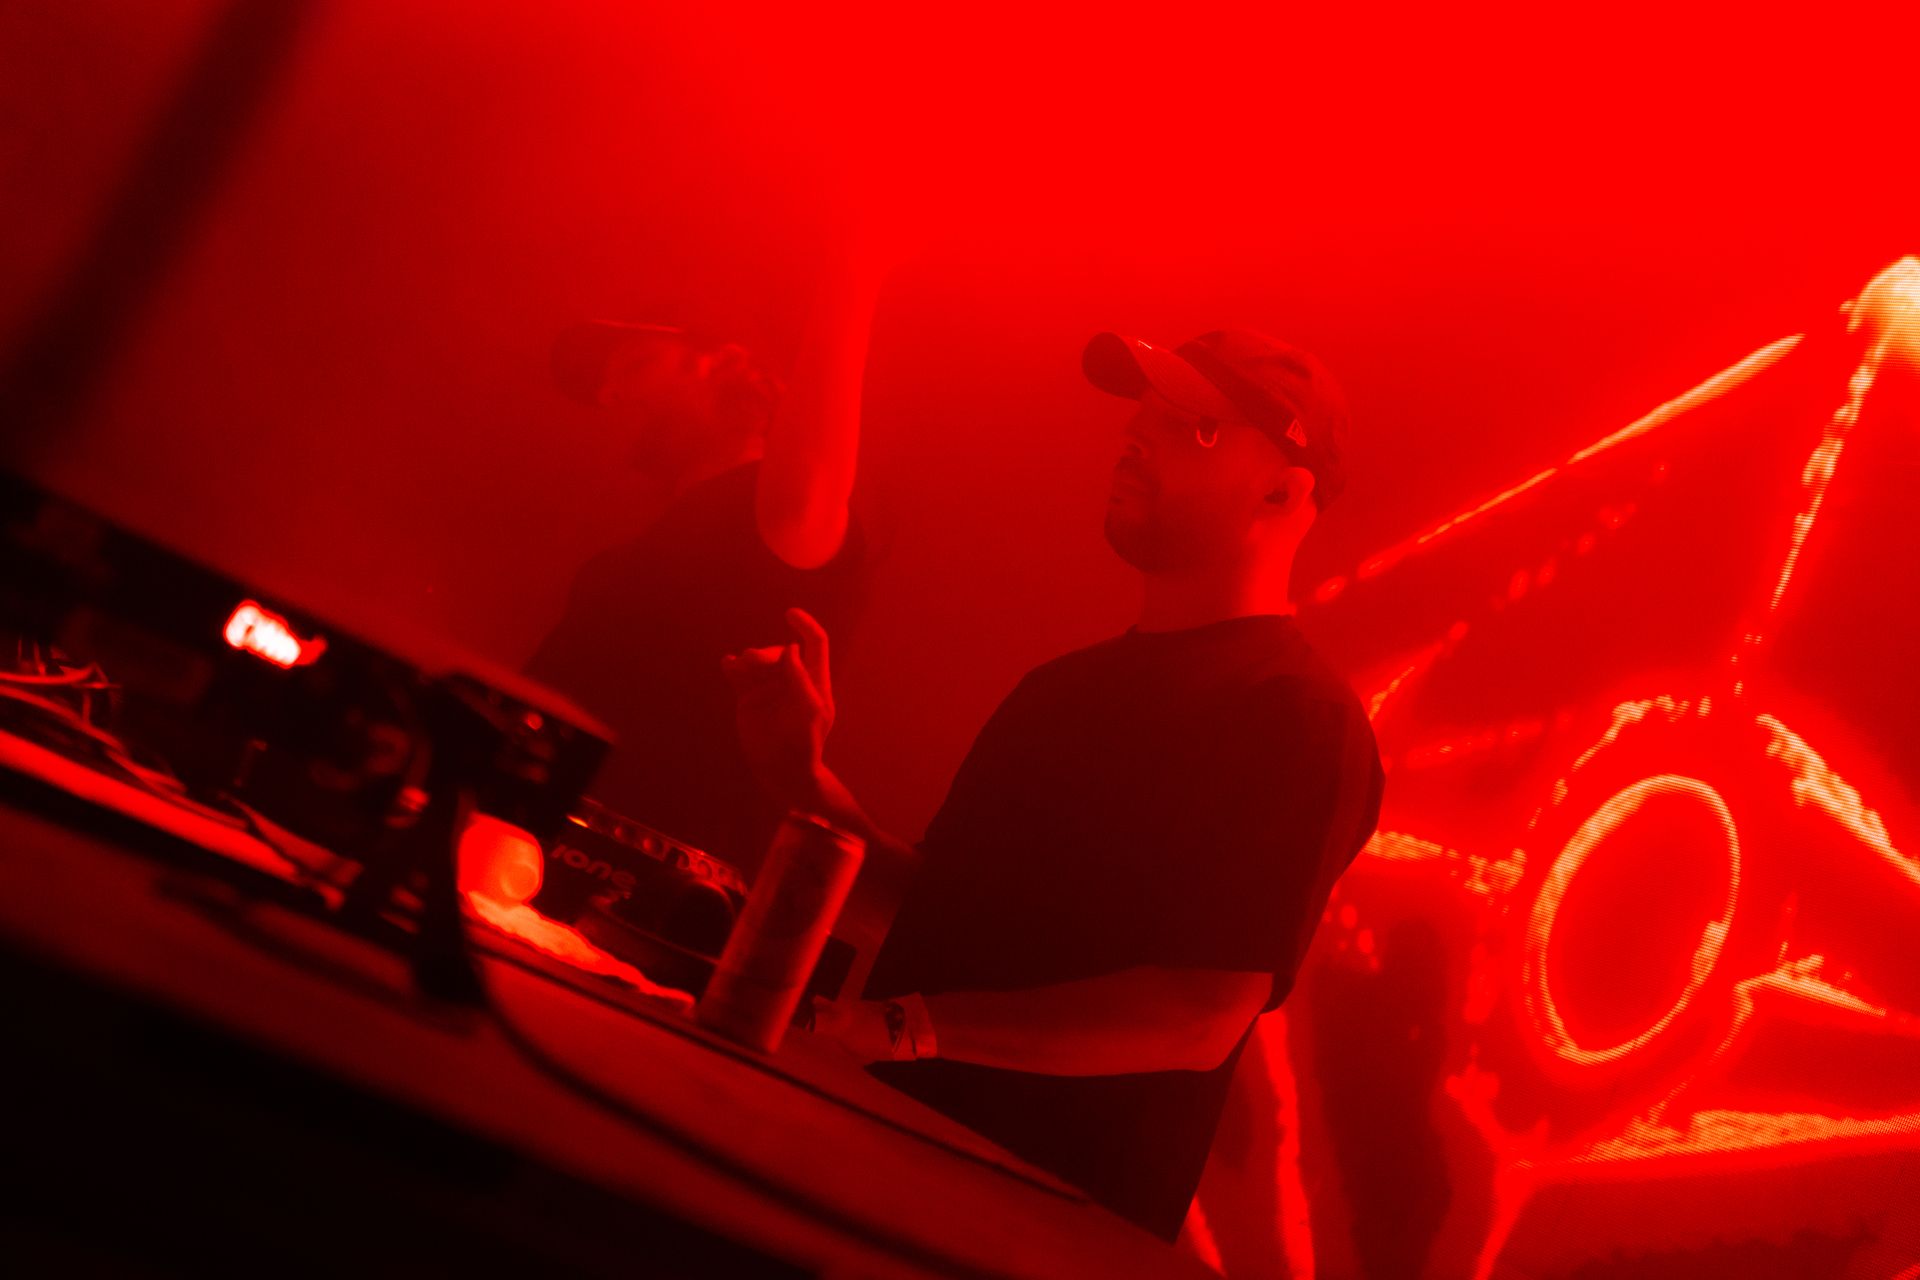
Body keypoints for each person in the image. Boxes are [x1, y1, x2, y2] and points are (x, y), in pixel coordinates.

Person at [723, 328, 1386, 1243]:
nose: (1134, 440)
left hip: (1039, 1237)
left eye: (1189, 426)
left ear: (1284, 487)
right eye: (1140, 417)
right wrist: (800, 776)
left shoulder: (1299, 721)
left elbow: (1198, 1016)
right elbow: (926, 918)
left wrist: (907, 1026)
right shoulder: (1061, 686)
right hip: (883, 1178)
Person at [525, 259, 882, 884]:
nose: (614, 396)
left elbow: (809, 464)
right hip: (528, 851)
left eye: (634, 365)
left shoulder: (780, 517)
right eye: (619, 377)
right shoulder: (644, 550)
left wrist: (855, 259)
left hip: (653, 900)